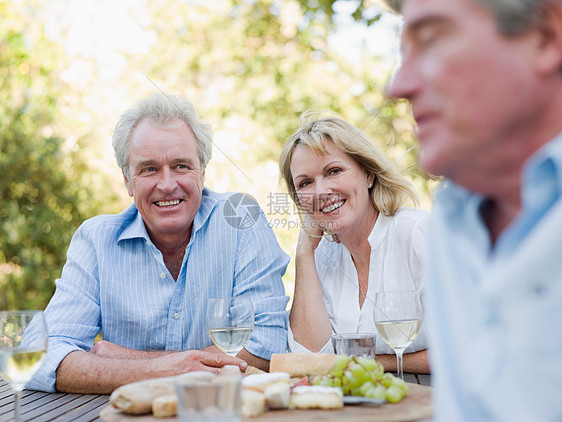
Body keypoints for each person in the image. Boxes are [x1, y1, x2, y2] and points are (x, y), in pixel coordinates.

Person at [26, 93, 290, 394]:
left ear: (202, 172)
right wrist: (165, 368)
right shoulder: (96, 240)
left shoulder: (240, 220)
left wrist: (127, 360)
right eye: (149, 168)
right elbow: (39, 356)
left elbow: (266, 345)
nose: (166, 184)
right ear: (127, 180)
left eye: (181, 166)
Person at [386, 0, 562, 420]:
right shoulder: (454, 213)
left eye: (432, 41)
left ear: (545, 36)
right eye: (401, 52)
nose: (398, 85)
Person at [278, 114, 430, 374]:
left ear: (368, 173)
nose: (321, 192)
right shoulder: (322, 255)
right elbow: (311, 356)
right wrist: (304, 251)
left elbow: (467, 347)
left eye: (333, 171)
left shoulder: (417, 233)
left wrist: (365, 362)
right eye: (305, 183)